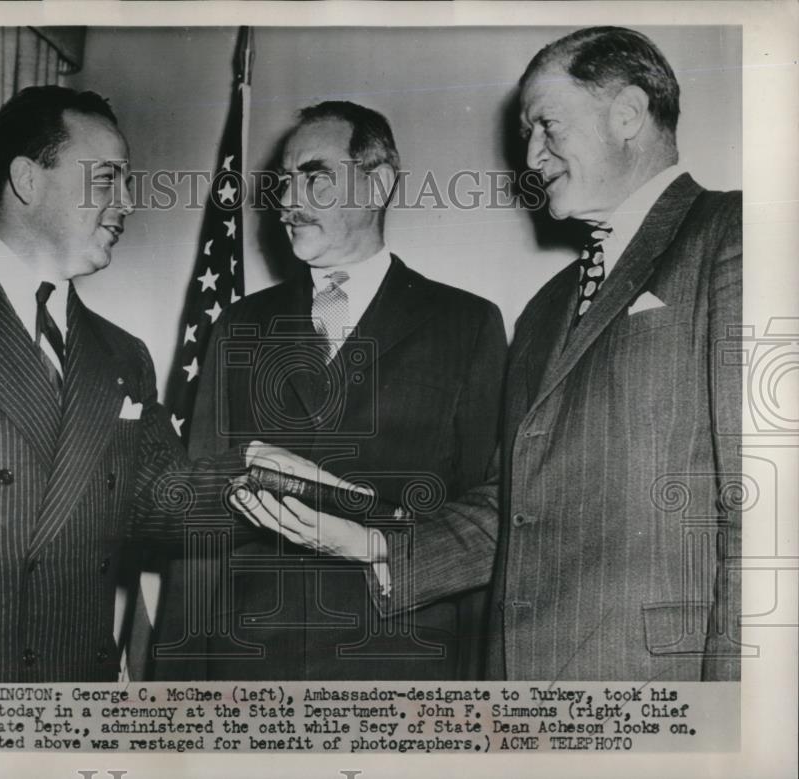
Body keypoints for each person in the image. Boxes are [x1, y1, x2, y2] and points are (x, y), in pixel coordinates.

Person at [237, 27, 742, 681]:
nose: (530, 156)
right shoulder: (542, 310)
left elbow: (767, 509)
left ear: (627, 113)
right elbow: (509, 508)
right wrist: (367, 542)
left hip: (660, 696)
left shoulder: (731, 235)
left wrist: (736, 719)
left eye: (546, 126)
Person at [0, 86, 348, 683]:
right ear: (27, 180)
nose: (127, 200)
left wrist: (256, 472)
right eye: (108, 179)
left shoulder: (123, 355)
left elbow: (162, 500)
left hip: (69, 701)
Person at [154, 101, 507, 680]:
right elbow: (202, 516)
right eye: (284, 182)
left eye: (314, 177)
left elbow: (482, 518)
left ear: (379, 183)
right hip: (250, 661)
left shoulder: (465, 324)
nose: (289, 202)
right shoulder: (240, 325)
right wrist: (175, 686)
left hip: (401, 661)